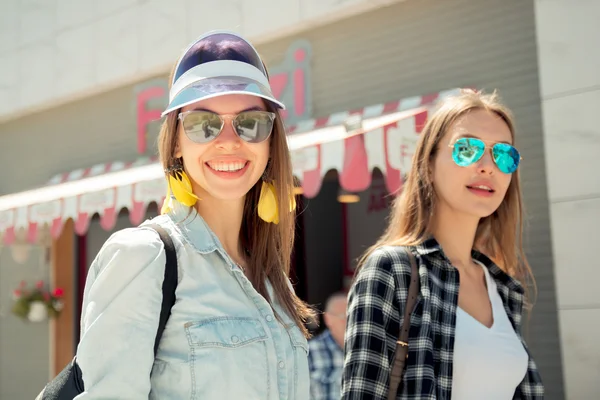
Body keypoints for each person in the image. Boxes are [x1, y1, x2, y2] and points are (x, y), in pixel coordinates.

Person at [74, 30, 314, 399]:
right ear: (176, 143)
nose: (230, 140)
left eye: (251, 123)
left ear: (270, 141)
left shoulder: (270, 280)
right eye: (203, 124)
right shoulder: (144, 257)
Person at [341, 90, 544, 399]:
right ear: (429, 164)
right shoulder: (392, 270)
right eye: (467, 149)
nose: (488, 166)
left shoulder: (502, 285)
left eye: (504, 154)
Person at [307, 292, 348, 400]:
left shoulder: (365, 350)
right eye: (344, 316)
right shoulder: (310, 351)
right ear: (328, 319)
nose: (350, 322)